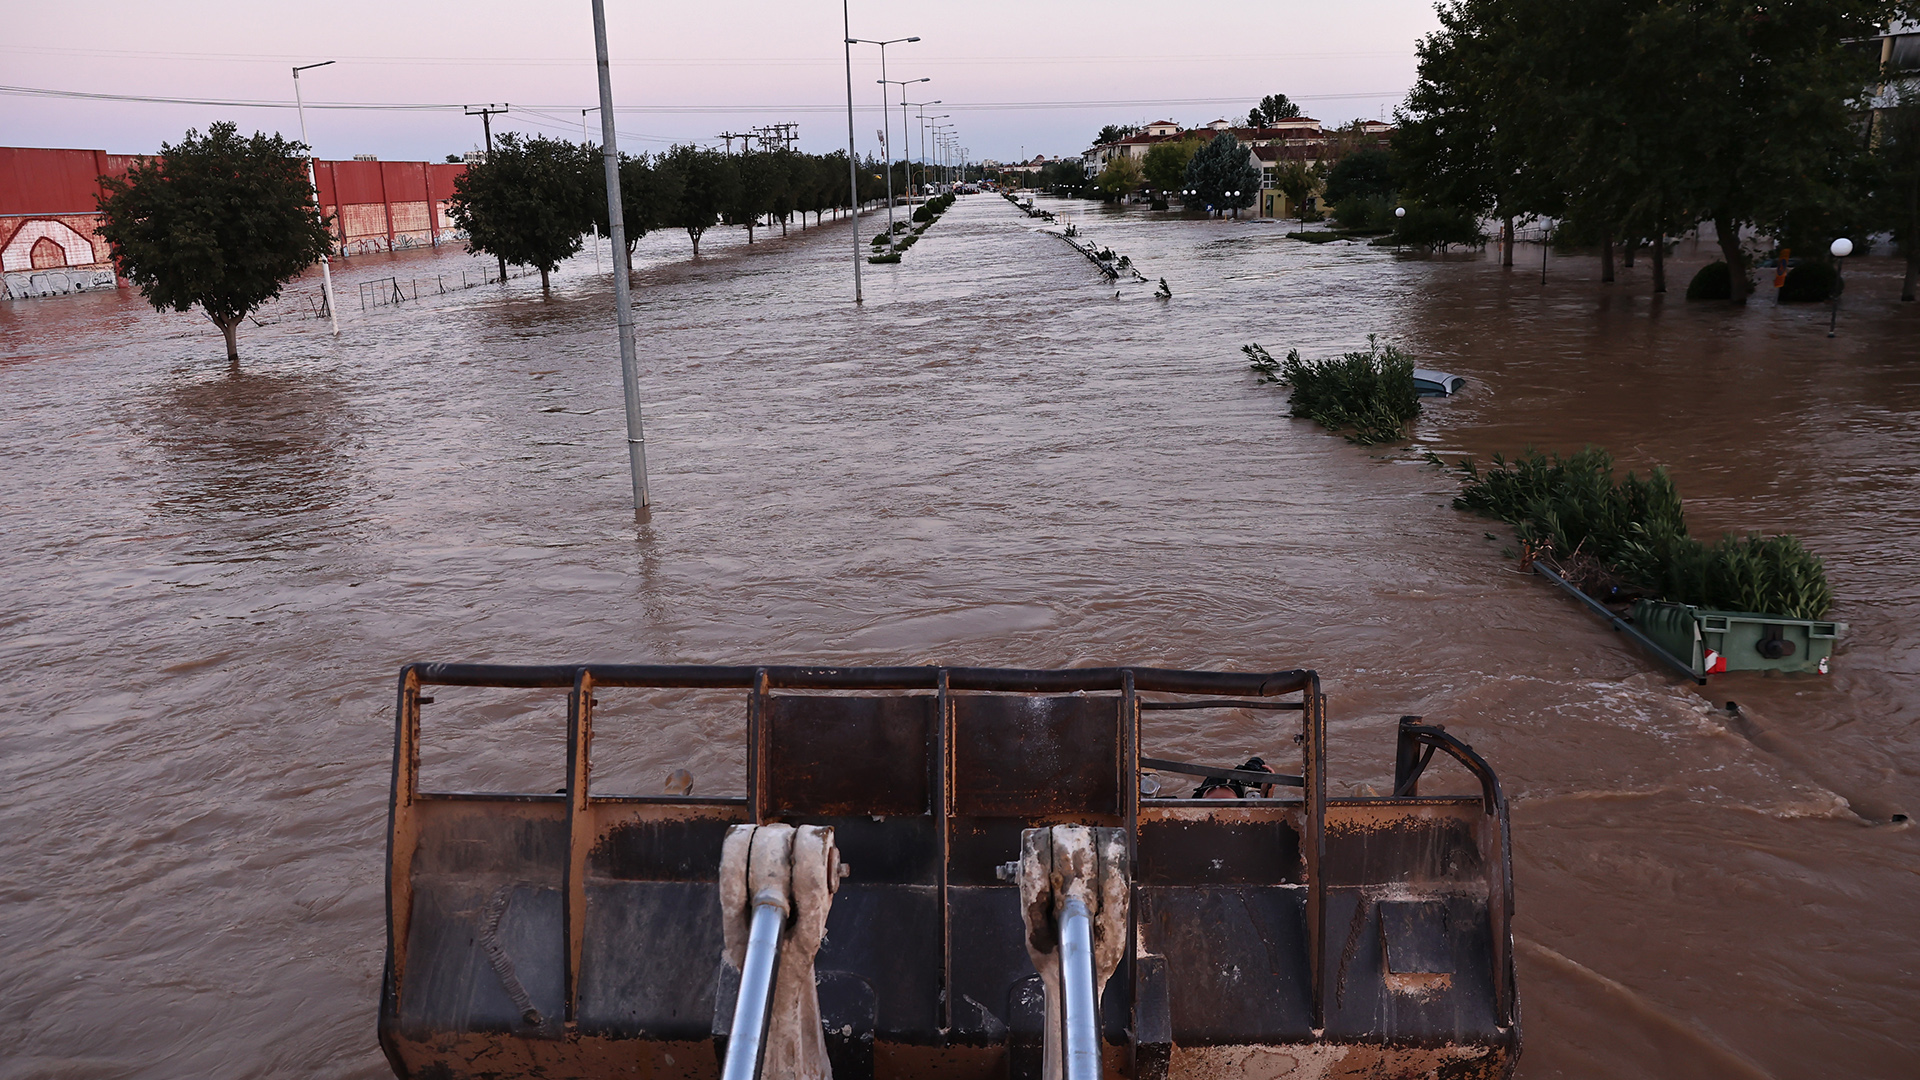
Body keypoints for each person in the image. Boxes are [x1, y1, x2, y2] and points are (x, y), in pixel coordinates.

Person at [1191, 756, 1276, 799]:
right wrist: (1268, 794)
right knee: (1254, 764)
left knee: (1216, 776)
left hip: (1208, 798)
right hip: (1234, 797)